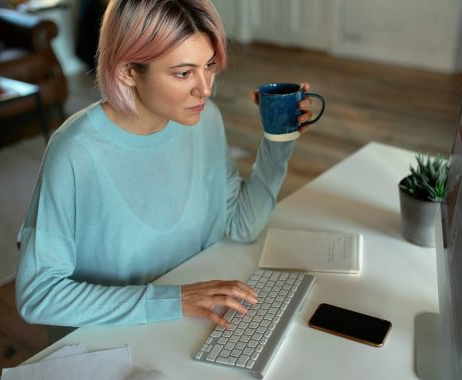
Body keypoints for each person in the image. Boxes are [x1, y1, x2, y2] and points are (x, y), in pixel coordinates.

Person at [16, 0, 316, 343]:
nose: (205, 88)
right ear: (128, 70)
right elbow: (38, 295)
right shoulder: (75, 151)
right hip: (110, 340)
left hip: (188, 324)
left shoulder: (205, 120)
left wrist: (279, 141)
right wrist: (175, 300)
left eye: (210, 65)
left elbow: (241, 224)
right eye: (183, 73)